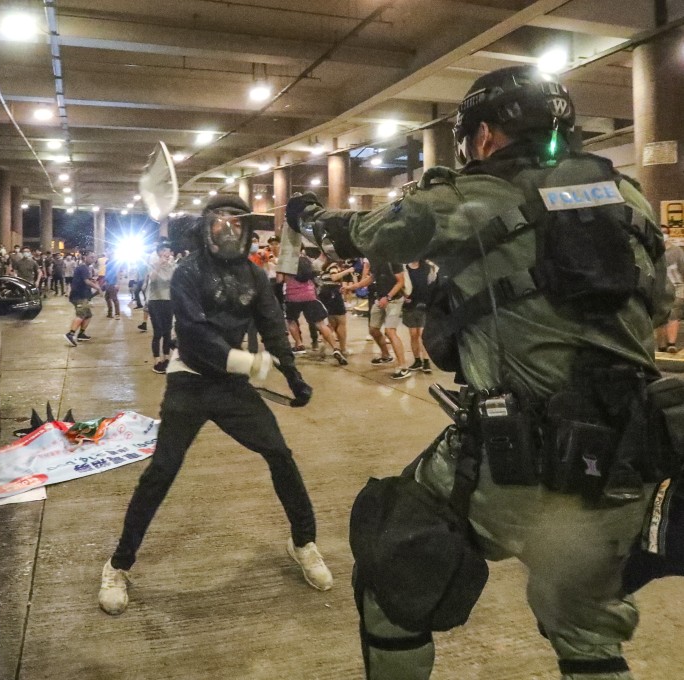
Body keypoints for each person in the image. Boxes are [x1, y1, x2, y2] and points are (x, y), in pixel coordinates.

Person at [288, 65, 673, 680]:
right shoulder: (627, 196)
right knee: (586, 635)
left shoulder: (466, 198)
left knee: (395, 566)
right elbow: (660, 306)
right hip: (627, 460)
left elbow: (359, 233)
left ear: (487, 136)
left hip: (516, 463)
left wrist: (308, 217)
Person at [98, 196, 332, 616]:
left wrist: (294, 375)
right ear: (207, 228)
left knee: (279, 454)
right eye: (219, 222)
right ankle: (119, 563)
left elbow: (272, 326)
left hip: (231, 387)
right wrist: (250, 363)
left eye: (235, 223)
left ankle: (304, 542)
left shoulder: (255, 276)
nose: (227, 230)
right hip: (189, 381)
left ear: (245, 230)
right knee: (162, 470)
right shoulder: (188, 273)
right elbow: (194, 333)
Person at [345, 257, 409, 378]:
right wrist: (352, 287)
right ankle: (386, 356)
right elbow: (372, 278)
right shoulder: (375, 260)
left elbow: (400, 281)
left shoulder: (394, 260)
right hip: (379, 299)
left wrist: (388, 297)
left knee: (390, 332)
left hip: (394, 300)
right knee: (373, 330)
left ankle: (403, 366)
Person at [145, 239, 177, 373]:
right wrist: (159, 264)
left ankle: (167, 358)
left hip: (168, 301)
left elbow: (176, 281)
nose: (166, 253)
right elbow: (152, 278)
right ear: (158, 253)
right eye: (163, 251)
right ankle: (157, 361)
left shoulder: (173, 266)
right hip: (155, 301)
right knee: (158, 332)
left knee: (167, 332)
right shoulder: (152, 264)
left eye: (168, 251)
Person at [402, 260, 434, 374]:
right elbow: (400, 283)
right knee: (413, 334)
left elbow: (432, 284)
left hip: (424, 305)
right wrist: (403, 296)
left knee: (422, 334)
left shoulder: (427, 267)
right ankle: (417, 361)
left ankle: (426, 361)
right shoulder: (405, 268)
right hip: (410, 305)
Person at [64, 252, 102, 347]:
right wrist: (98, 288)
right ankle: (70, 334)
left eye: (94, 257)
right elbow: (86, 281)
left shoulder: (86, 268)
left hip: (83, 295)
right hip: (78, 296)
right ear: (85, 257)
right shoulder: (83, 268)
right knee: (81, 315)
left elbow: (87, 280)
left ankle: (81, 334)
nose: (93, 259)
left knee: (88, 315)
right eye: (91, 257)